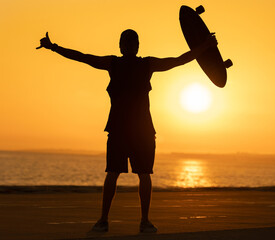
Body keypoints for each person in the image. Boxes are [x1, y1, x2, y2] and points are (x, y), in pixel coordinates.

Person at [37, 29, 217, 233]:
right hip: (119, 129)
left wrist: (204, 47)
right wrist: (54, 47)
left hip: (142, 131)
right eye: (127, 43)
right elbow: (83, 57)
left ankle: (144, 221)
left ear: (137, 45)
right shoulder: (113, 63)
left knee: (144, 174)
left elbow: (178, 61)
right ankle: (103, 220)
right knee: (112, 173)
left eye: (134, 42)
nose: (131, 46)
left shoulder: (146, 64)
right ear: (121, 45)